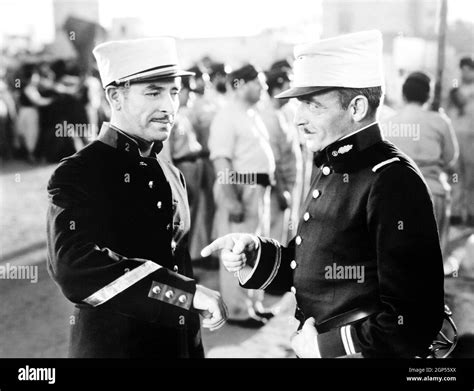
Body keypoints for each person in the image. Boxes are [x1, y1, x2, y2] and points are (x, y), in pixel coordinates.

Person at [202, 30, 445, 357]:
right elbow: (317, 263)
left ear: (356, 107)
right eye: (298, 105)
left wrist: (326, 346)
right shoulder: (334, 163)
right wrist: (255, 253)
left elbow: (414, 317)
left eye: (312, 106)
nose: (298, 119)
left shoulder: (392, 179)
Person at [46, 37, 227, 358]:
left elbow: (179, 264)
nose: (169, 106)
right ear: (115, 96)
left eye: (173, 92)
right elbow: (73, 267)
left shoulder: (172, 173)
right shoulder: (78, 172)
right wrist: (182, 295)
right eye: (153, 92)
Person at [208, 64, 276, 327]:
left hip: (257, 189)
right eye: (258, 83)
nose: (264, 88)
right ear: (240, 84)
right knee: (236, 252)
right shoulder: (227, 116)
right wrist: (231, 199)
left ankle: (252, 303)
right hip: (238, 188)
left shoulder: (251, 114)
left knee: (256, 251)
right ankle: (236, 309)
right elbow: (221, 161)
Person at [382, 71, 458, 256]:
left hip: (394, 195)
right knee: (431, 259)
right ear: (428, 96)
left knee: (398, 260)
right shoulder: (440, 121)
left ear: (403, 94)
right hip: (432, 193)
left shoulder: (387, 124)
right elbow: (450, 158)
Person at [259, 68, 302, 244]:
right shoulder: (269, 116)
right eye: (287, 87)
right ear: (277, 90)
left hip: (290, 183)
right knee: (277, 233)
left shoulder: (281, 112)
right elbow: (273, 161)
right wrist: (281, 191)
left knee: (287, 228)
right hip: (281, 185)